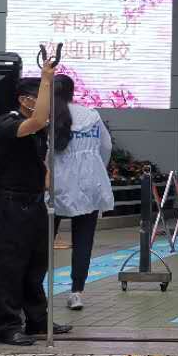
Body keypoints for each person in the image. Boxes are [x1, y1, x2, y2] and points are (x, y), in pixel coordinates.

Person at [0, 60, 71, 345]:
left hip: (34, 203)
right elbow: (36, 121)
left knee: (37, 264)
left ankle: (37, 320)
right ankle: (8, 325)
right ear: (25, 100)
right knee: (10, 266)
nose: (47, 107)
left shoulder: (38, 130)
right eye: (41, 99)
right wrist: (47, 78)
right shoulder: (7, 123)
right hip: (11, 204)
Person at [51, 75, 115, 313]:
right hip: (90, 184)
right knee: (83, 241)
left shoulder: (48, 115)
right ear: (73, 91)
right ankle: (76, 292)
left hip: (56, 185)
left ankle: (35, 290)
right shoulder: (92, 115)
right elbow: (106, 146)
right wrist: (96, 168)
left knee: (43, 241)